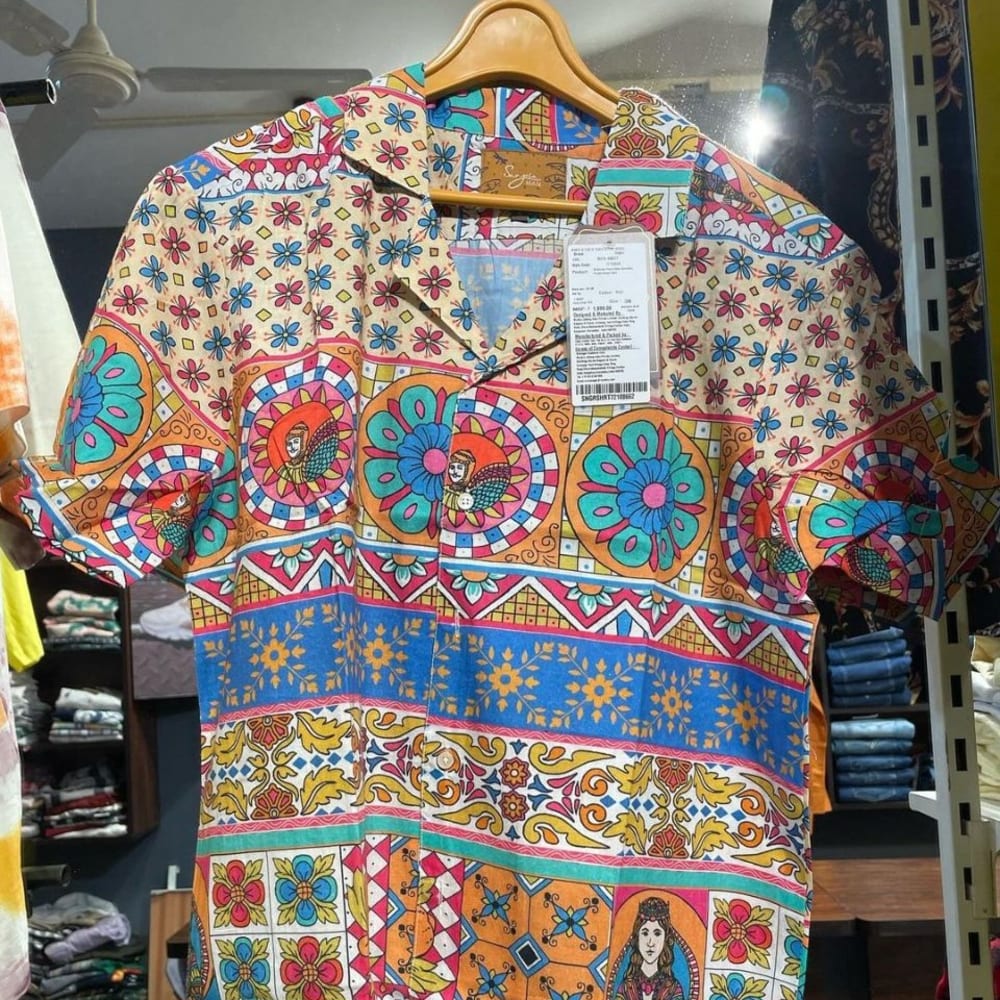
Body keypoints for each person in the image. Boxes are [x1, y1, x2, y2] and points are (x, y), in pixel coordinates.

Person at [615, 897, 685, 1000]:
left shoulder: (673, 989)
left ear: (665, 939)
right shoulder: (626, 988)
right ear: (637, 937)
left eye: (657, 934)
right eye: (645, 933)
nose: (650, 943)